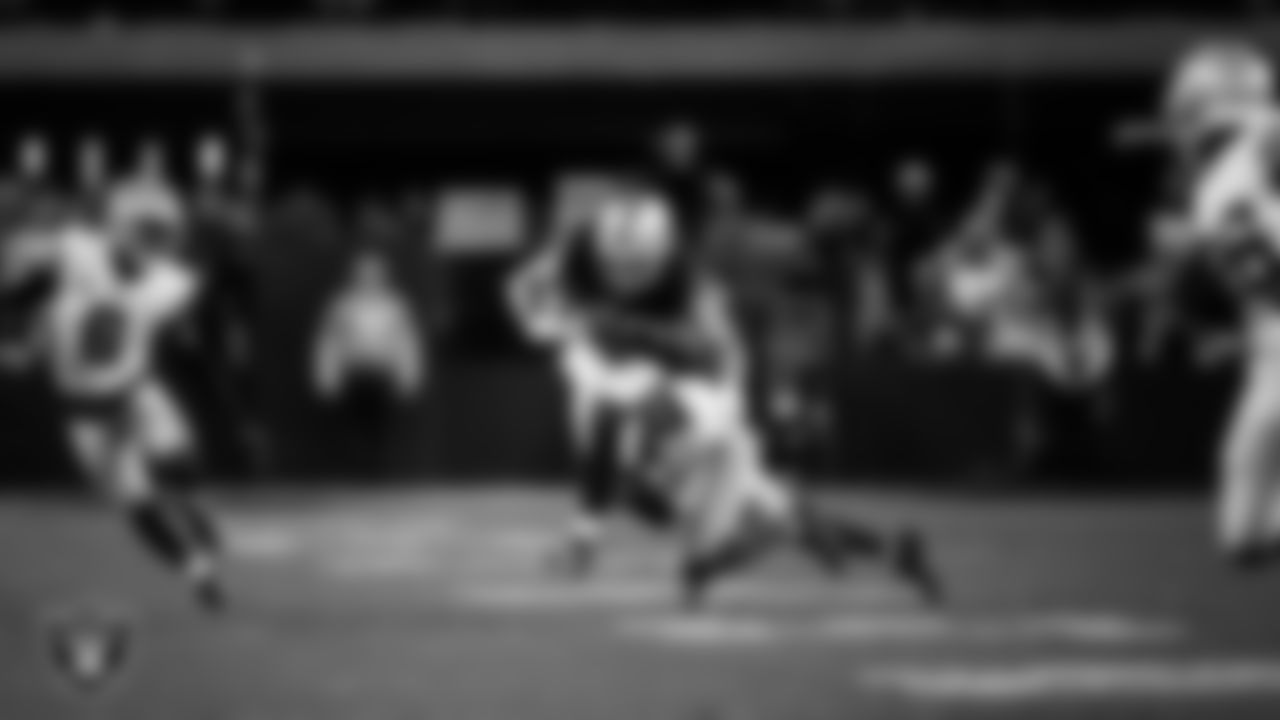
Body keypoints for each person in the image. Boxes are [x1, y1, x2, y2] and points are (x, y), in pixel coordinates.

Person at [0, 180, 227, 611]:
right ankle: (195, 569)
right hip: (86, 412)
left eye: (162, 232)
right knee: (136, 500)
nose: (155, 241)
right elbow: (23, 283)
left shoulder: (170, 282)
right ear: (119, 226)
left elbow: (190, 316)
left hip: (135, 390)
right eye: (148, 229)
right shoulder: (75, 252)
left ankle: (193, 506)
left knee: (178, 460)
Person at [1146, 41, 1280, 568]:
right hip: (1270, 323)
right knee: (1248, 439)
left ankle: (1256, 531)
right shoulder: (1211, 188)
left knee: (1256, 431)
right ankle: (1252, 534)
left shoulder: (1256, 143)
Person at [312, 250, 423, 476]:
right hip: (354, 374)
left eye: (374, 274)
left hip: (381, 374)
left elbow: (405, 343)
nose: (368, 278)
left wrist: (409, 375)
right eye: (363, 273)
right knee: (352, 425)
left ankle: (375, 471)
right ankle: (356, 470)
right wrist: (326, 376)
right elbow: (330, 343)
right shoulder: (341, 305)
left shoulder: (395, 306)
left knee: (380, 427)